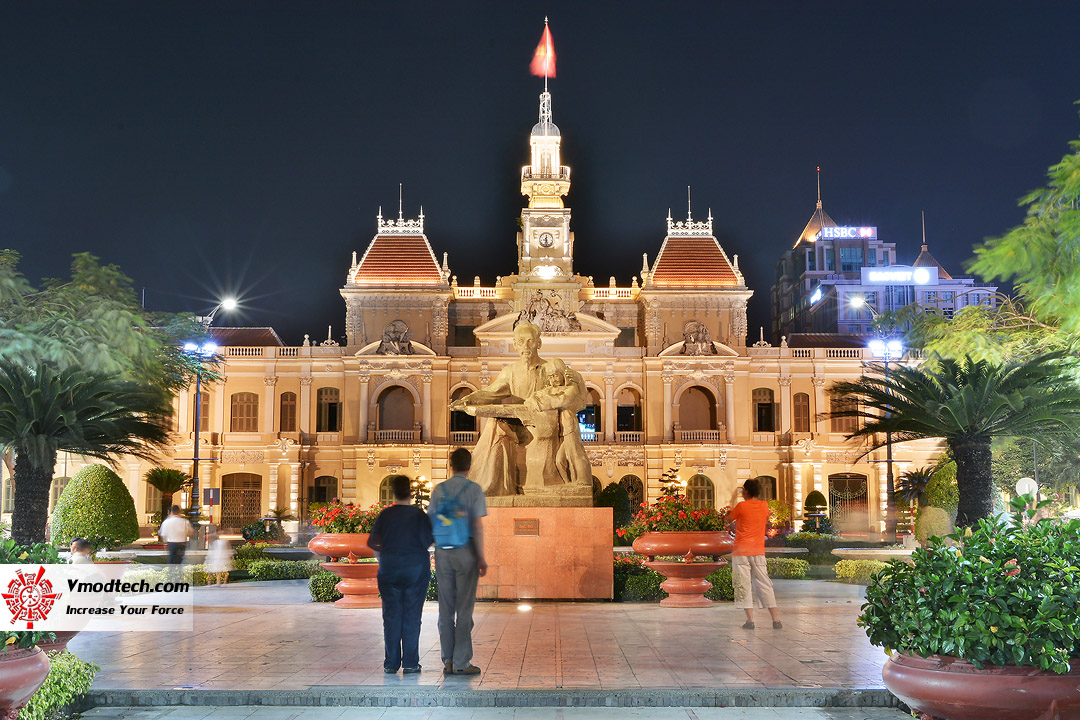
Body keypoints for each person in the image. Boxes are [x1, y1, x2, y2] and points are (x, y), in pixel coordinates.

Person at [449, 322, 546, 496]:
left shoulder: (550, 369)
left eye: (530, 341)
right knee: (496, 425)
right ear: (515, 345)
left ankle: (482, 485)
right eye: (521, 341)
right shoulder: (511, 372)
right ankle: (492, 484)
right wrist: (468, 400)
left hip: (542, 424)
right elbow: (491, 393)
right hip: (520, 424)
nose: (525, 346)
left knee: (497, 427)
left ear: (538, 343)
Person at [428, 448, 488, 676]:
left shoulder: (438, 490)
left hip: (443, 552)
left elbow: (431, 522)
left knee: (445, 608)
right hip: (466, 552)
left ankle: (447, 660)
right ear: (470, 466)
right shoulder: (474, 489)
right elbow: (476, 526)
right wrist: (481, 556)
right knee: (464, 609)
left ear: (450, 465)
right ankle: (462, 662)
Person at [367, 474, 434, 674]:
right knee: (412, 615)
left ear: (394, 493)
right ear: (411, 492)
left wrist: (384, 557)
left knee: (391, 616)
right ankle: (411, 662)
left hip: (390, 569)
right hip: (416, 570)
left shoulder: (386, 515)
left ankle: (391, 662)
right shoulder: (419, 515)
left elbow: (373, 543)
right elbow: (430, 540)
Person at [729, 478, 782, 630]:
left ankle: (750, 620)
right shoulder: (764, 505)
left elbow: (729, 518)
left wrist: (732, 502)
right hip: (758, 551)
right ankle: (775, 620)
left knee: (743, 585)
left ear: (746, 491)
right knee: (765, 584)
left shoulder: (741, 506)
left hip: (741, 551)